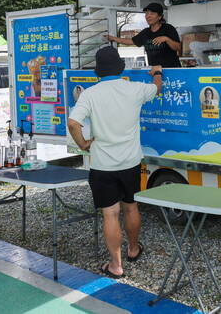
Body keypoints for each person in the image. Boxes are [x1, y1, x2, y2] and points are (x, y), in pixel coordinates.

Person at [67, 46, 162, 279]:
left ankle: (116, 265)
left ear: (98, 71)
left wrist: (83, 144)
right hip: (130, 162)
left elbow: (72, 123)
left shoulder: (90, 94)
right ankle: (133, 249)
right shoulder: (135, 89)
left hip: (102, 165)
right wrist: (157, 72)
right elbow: (157, 89)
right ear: (120, 68)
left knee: (110, 214)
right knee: (131, 206)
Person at [105, 2, 182, 67]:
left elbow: (178, 47)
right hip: (154, 71)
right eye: (147, 13)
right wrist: (113, 38)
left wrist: (166, 39)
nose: (148, 16)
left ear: (160, 17)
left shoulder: (168, 28)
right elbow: (131, 41)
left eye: (152, 13)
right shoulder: (146, 32)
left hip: (172, 70)